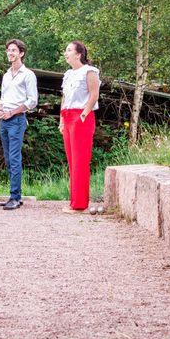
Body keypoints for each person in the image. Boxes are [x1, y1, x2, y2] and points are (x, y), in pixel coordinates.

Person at [0, 39, 38, 210]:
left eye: (13, 50)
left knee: (14, 157)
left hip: (17, 121)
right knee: (8, 158)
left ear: (21, 53)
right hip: (4, 121)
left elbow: (32, 101)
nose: (10, 53)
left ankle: (15, 196)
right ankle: (15, 196)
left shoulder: (28, 75)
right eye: (8, 50)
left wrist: (12, 112)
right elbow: (4, 98)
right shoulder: (6, 75)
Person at [59, 40, 101, 214]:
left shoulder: (89, 71)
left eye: (69, 50)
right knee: (71, 160)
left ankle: (80, 204)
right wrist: (61, 119)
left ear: (78, 54)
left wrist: (83, 115)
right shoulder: (68, 74)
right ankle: (74, 201)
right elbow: (64, 97)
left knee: (80, 161)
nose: (65, 53)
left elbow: (94, 94)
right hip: (68, 116)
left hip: (81, 116)